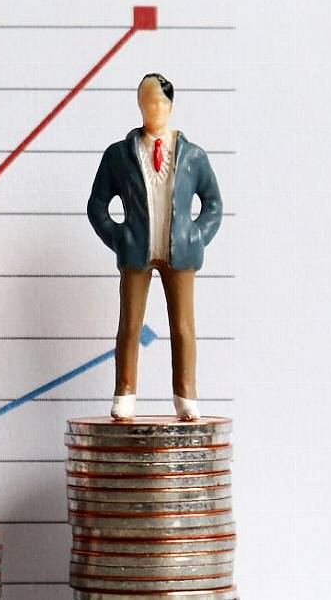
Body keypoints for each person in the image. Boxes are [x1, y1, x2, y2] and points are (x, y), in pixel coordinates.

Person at [87, 73, 223, 422]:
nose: (155, 108)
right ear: (139, 105)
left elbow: (213, 204)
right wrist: (118, 237)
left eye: (162, 102)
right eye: (149, 102)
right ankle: (125, 392)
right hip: (136, 253)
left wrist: (197, 237)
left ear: (171, 106)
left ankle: (186, 395)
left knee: (183, 327)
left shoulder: (192, 155)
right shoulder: (119, 155)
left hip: (180, 253)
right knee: (129, 325)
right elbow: (97, 204)